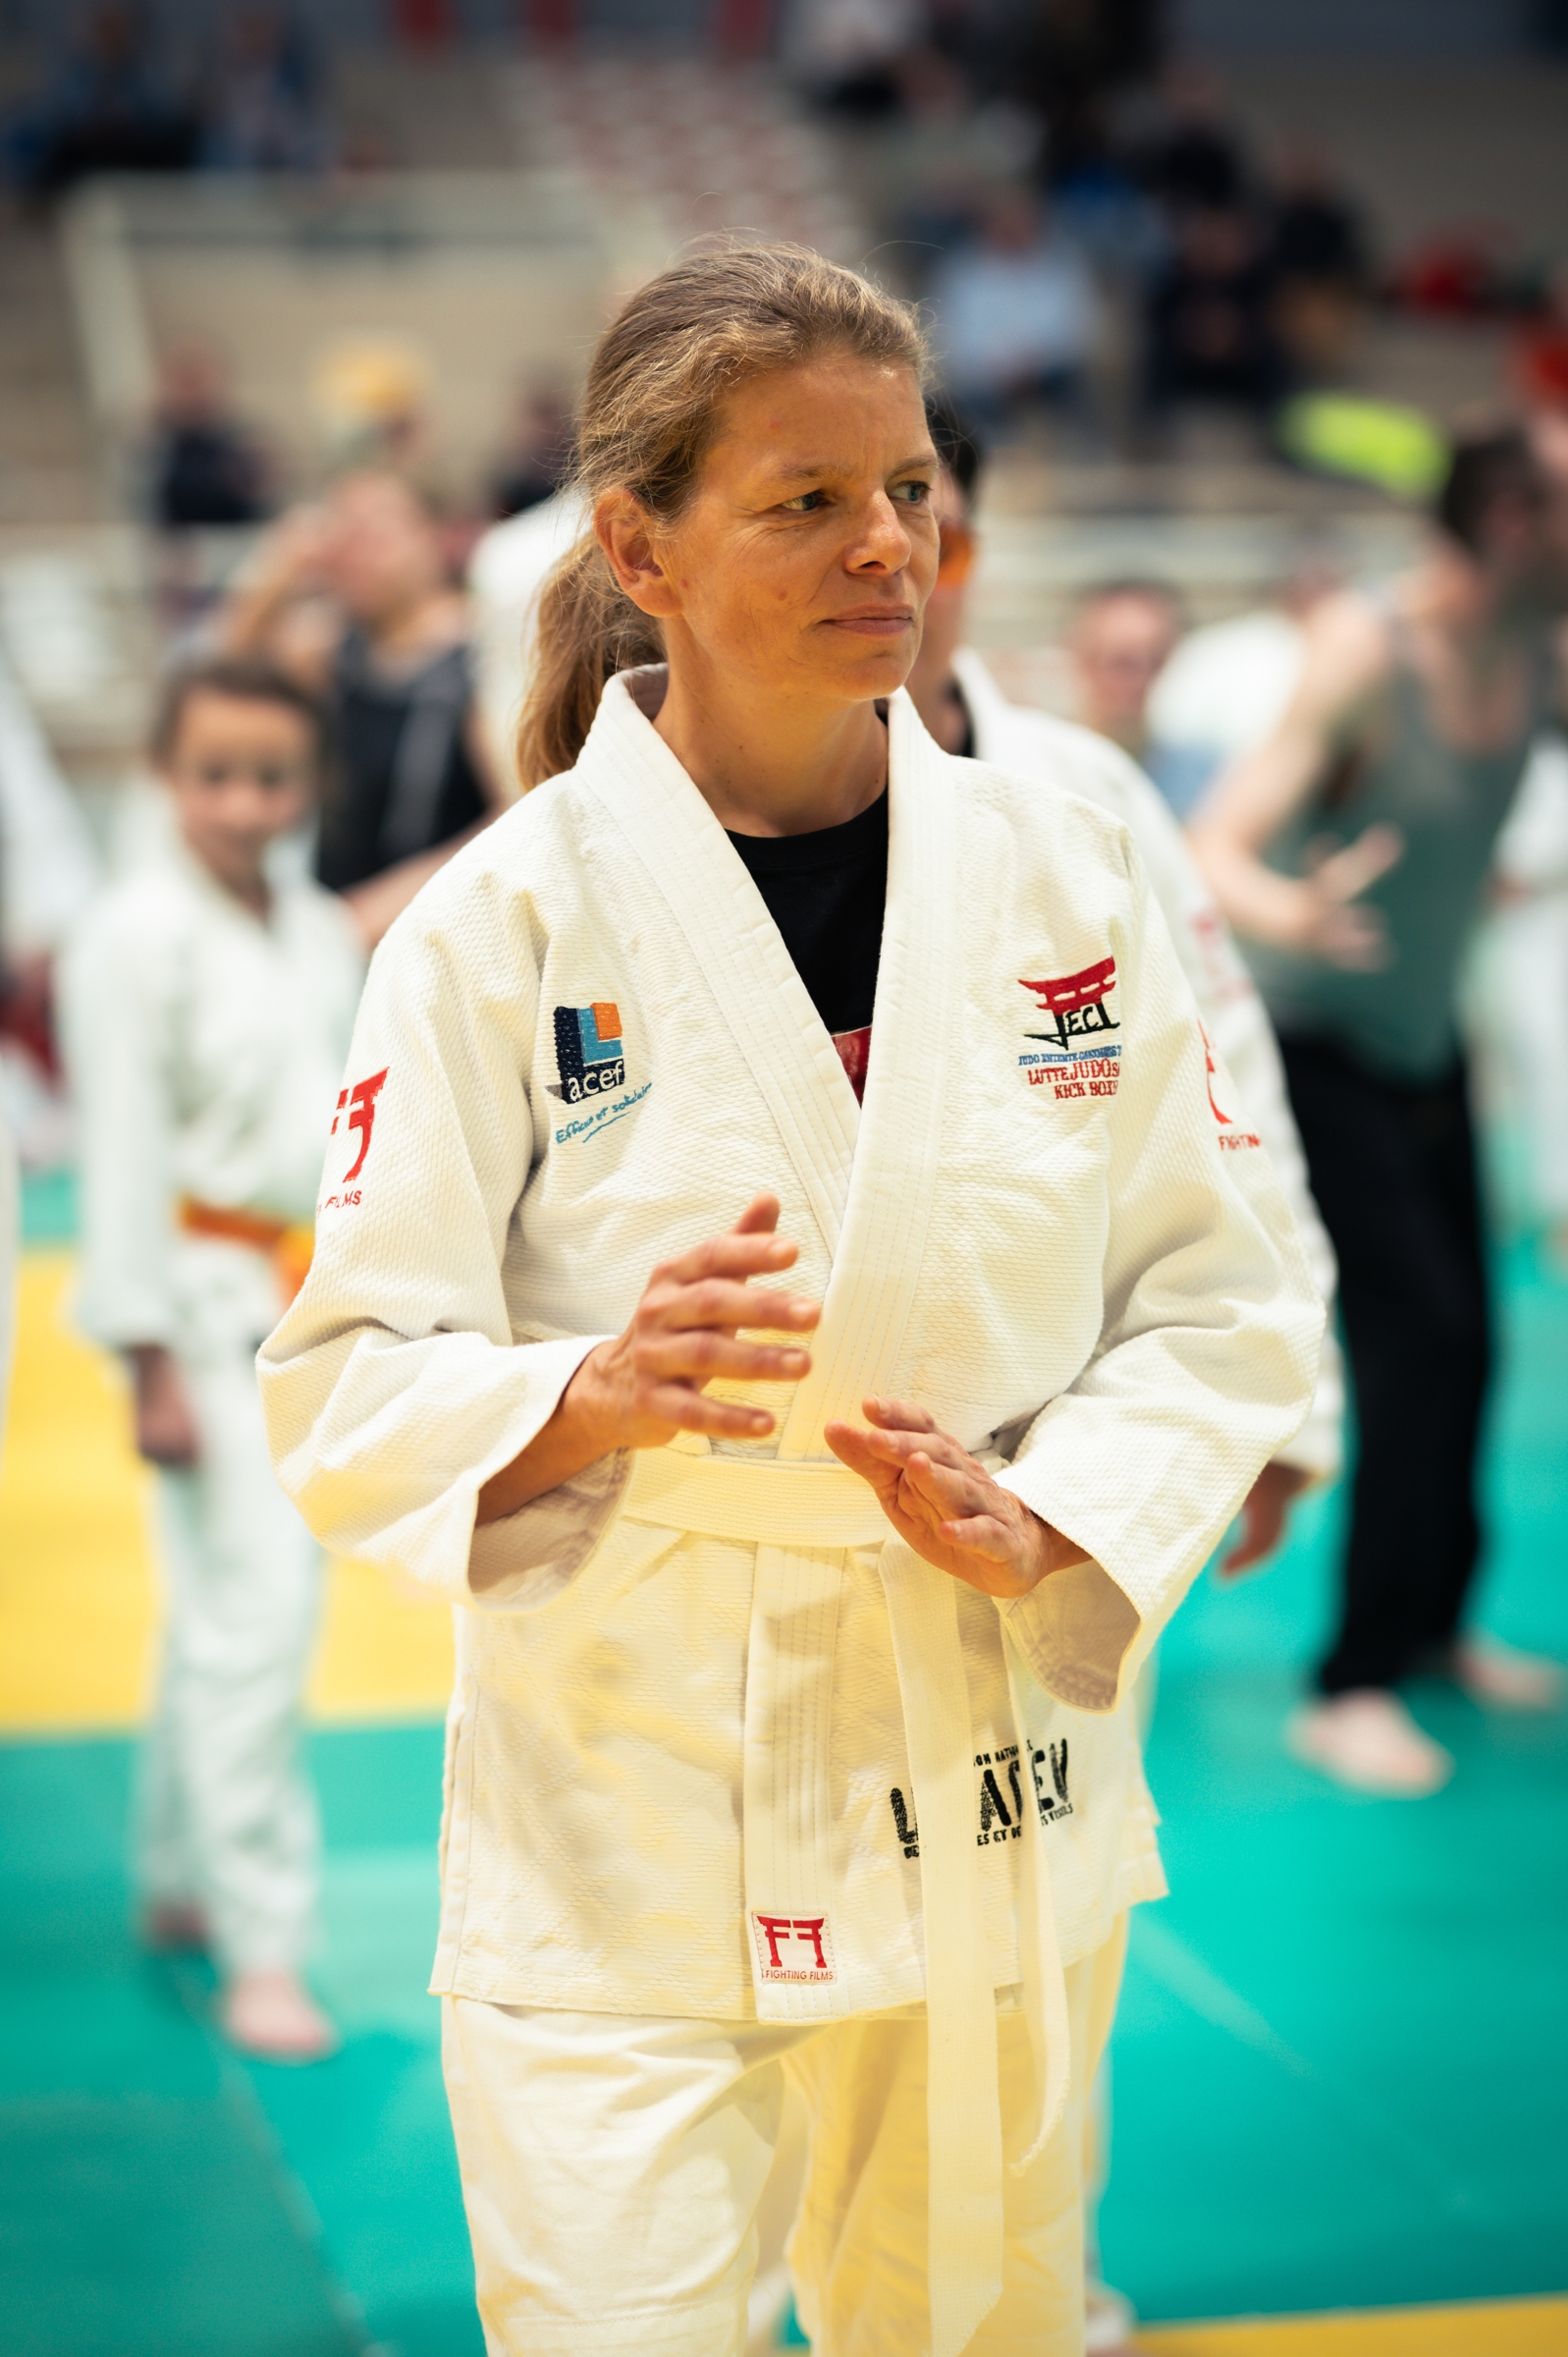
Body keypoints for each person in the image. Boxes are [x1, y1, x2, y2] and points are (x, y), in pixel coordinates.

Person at [259, 246, 1321, 2356]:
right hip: (625, 1777)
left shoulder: (1069, 876)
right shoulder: (496, 929)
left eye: (906, 488)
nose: (886, 545)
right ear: (638, 548)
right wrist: (587, 1388)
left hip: (981, 1744)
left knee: (974, 2320)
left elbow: (1215, 1297)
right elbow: (346, 1377)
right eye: (808, 500)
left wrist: (1062, 1512)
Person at [904, 391, 1341, 2357]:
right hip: (800, 1448)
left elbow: (1225, 1084)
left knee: (1060, 1889)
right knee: (802, 1916)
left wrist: (1283, 1395)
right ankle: (765, 2289)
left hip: (1074, 1436)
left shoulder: (1083, 792)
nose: (875, 553)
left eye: (914, 510)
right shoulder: (684, 795)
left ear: (968, 547)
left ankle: (1033, 2275)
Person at [1191, 426, 1568, 1797]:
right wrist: (1295, 910)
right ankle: (1346, 1684)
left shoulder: (1535, 652)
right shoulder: (1365, 653)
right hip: (1321, 1044)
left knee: (1473, 1341)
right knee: (1413, 1339)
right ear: (1514, 520)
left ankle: (1433, 1628)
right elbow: (1216, 841)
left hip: (1427, 1044)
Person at [59, 654, 365, 2059]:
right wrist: (145, 1361)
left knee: (221, 1611)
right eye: (215, 776)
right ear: (162, 778)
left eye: (272, 778)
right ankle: (264, 1949)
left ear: (310, 786)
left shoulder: (310, 927)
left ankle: (177, 1871)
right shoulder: (129, 937)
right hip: (193, 1304)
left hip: (305, 1290)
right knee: (258, 1618)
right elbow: (118, 1153)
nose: (245, 804)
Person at [221, 470, 511, 945]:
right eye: (344, 538)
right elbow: (230, 674)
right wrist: (282, 562)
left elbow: (516, 811)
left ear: (436, 537)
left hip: (439, 932)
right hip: (335, 926)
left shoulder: (481, 657)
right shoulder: (335, 649)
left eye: (375, 535)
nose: (356, 556)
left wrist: (376, 912)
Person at [1065, 579, 1214, 818]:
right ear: (1081, 655)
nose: (1133, 679)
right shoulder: (1040, 768)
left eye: (1152, 660)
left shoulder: (1204, 776)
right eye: (1119, 662)